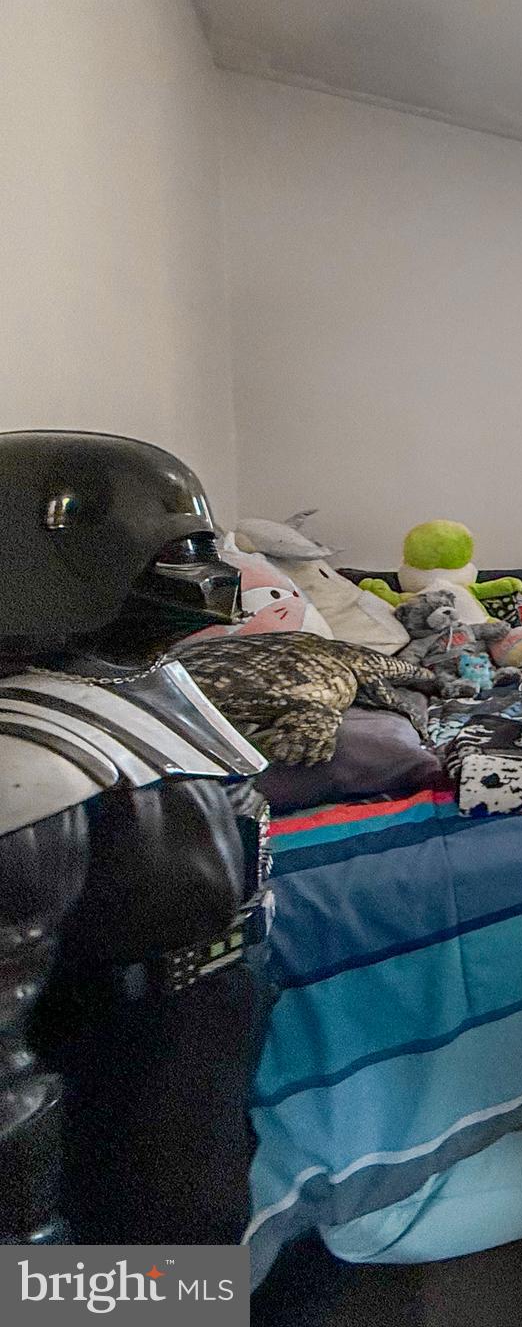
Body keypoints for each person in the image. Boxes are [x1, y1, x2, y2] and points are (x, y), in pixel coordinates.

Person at [0, 431, 267, 1245]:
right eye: (183, 550)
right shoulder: (24, 763)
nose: (214, 571)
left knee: (200, 1237)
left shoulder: (150, 684)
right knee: (143, 1264)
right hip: (112, 1072)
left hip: (194, 1044)